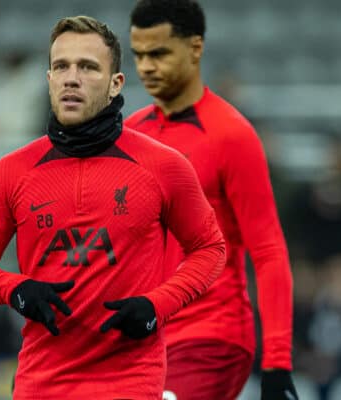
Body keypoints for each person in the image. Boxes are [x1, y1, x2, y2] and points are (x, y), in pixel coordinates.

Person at [0, 15, 226, 399]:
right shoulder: (12, 171)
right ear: (48, 79)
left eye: (88, 67)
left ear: (116, 85)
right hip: (41, 384)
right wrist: (16, 289)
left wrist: (157, 304)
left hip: (131, 385)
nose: (71, 77)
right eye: (61, 66)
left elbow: (211, 249)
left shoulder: (164, 166)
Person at [125, 1, 297, 399]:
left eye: (159, 53)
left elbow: (269, 250)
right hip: (142, 338)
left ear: (195, 48)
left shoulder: (231, 135)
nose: (146, 67)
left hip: (211, 338)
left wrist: (276, 361)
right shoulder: (129, 135)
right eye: (139, 55)